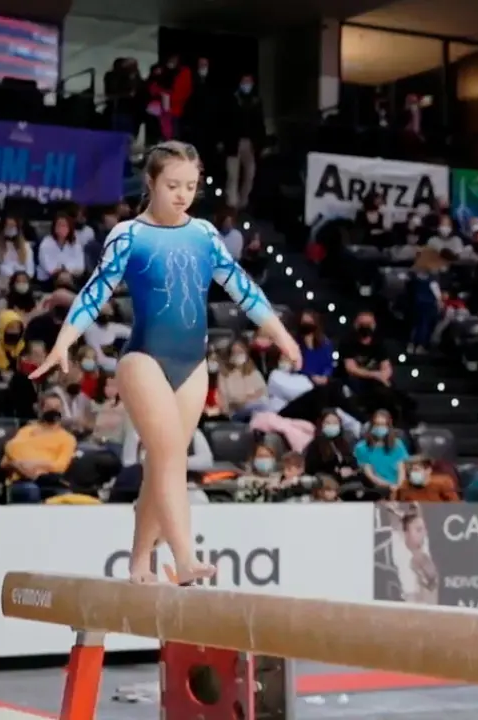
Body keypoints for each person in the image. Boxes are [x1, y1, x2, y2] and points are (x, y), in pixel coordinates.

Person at [30, 141, 300, 586]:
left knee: (161, 463)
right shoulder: (129, 235)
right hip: (143, 359)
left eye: (190, 186)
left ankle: (140, 563)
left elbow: (242, 287)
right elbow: (96, 290)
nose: (182, 195)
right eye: (173, 185)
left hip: (192, 364)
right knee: (171, 453)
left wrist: (282, 334)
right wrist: (64, 342)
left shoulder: (205, 234)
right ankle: (185, 557)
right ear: (151, 182)